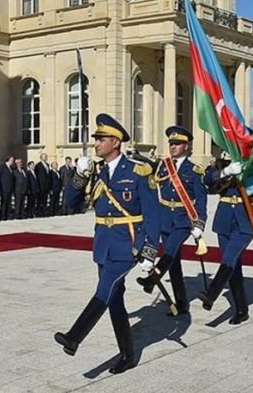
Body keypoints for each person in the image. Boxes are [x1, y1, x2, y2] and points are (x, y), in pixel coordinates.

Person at [54, 113, 160, 374]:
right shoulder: (97, 172)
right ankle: (128, 354)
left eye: (100, 139)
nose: (96, 143)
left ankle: (74, 336)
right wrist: (79, 175)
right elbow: (71, 203)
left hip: (128, 244)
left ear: (115, 142)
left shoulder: (138, 170)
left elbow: (153, 213)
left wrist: (149, 249)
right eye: (96, 139)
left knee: (105, 288)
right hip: (103, 244)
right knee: (114, 300)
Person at [199, 137, 253, 325]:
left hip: (246, 221)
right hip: (224, 220)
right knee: (233, 268)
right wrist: (225, 171)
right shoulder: (221, 166)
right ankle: (242, 309)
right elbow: (207, 180)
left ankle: (211, 293)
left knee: (229, 258)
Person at [136, 126, 207, 315]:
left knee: (170, 250)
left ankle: (152, 280)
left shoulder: (195, 170)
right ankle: (182, 303)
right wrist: (135, 157)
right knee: (174, 263)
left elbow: (201, 200)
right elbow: (147, 170)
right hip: (165, 218)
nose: (173, 146)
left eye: (177, 144)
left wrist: (200, 223)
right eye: (171, 143)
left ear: (187, 146)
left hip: (184, 220)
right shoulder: (162, 165)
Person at [0, 156, 16, 220]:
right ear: (8, 160)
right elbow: (0, 177)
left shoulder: (11, 168)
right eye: (12, 160)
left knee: (9, 202)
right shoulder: (2, 166)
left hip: (10, 188)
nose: (13, 162)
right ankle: (3, 216)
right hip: (4, 188)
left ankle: (8, 215)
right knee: (4, 203)